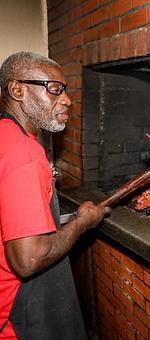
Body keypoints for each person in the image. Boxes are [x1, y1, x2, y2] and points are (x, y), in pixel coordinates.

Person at [0, 51, 111, 340]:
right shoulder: (23, 153)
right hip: (16, 313)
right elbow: (27, 259)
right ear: (18, 90)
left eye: (65, 90)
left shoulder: (4, 136)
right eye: (54, 89)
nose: (67, 100)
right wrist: (83, 222)